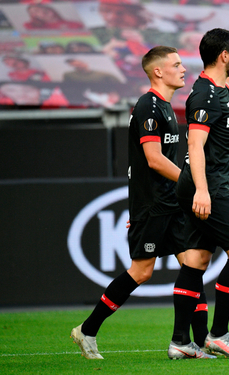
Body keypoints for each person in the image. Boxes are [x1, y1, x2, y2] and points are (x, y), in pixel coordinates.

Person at [69, 46, 216, 360]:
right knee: (142, 271)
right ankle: (87, 329)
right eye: (176, 64)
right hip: (153, 206)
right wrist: (194, 184)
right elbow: (153, 159)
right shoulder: (148, 106)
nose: (183, 69)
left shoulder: (165, 106)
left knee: (194, 265)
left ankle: (198, 342)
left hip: (171, 203)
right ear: (158, 71)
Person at [168, 23, 229, 359]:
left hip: (206, 185)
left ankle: (180, 342)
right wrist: (202, 191)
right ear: (224, 55)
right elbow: (194, 145)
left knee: (196, 260)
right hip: (209, 187)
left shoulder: (217, 89)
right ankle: (219, 334)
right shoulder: (204, 95)